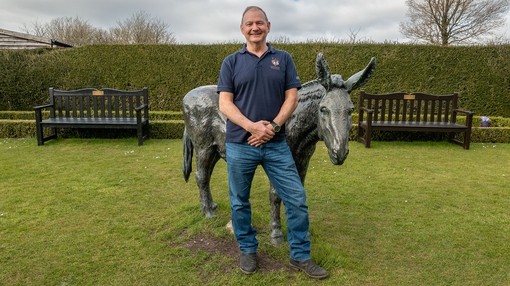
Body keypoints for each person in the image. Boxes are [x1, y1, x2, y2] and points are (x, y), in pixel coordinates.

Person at [217, 6, 328, 279]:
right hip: (240, 144)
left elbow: (292, 97)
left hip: (276, 144)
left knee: (296, 199)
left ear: (268, 26)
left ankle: (300, 256)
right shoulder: (231, 62)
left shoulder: (284, 59)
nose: (255, 28)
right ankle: (248, 250)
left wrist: (274, 126)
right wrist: (251, 126)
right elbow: (224, 103)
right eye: (249, 24)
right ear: (242, 29)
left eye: (259, 23)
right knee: (240, 201)